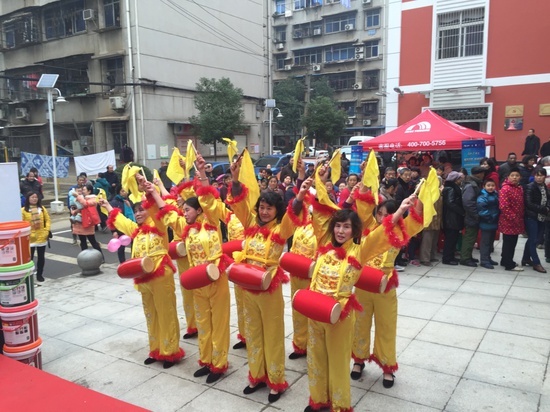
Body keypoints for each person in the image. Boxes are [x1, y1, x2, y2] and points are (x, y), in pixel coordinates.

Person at [294, 170, 416, 412]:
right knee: (316, 359)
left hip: (339, 315)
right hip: (315, 312)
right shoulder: (323, 246)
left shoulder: (359, 251)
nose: (340, 231)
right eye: (338, 226)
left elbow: (382, 233)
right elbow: (319, 212)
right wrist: (314, 182)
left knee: (338, 363)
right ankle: (318, 399)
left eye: (346, 227)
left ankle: (340, 405)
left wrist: (400, 211)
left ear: (354, 230)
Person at [227, 157, 308, 404]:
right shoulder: (250, 223)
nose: (263, 211)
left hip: (269, 289)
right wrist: (235, 177)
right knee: (252, 334)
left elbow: (291, 217)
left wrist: (301, 193)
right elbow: (239, 204)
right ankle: (256, 375)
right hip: (247, 287)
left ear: (276, 211)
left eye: (269, 208)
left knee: (272, 336)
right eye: (261, 207)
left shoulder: (279, 231)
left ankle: (275, 381)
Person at [149, 155, 231, 383]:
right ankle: (206, 361)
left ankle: (220, 364)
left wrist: (202, 175)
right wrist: (153, 190)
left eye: (188, 209)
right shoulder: (186, 227)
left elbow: (209, 199)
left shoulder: (212, 222)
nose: (184, 212)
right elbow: (166, 210)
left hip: (216, 278)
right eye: (183, 210)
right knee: (203, 323)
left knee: (219, 323)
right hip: (197, 281)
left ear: (199, 210)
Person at [101, 177, 184, 369]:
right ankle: (155, 350)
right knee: (151, 314)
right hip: (142, 278)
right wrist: (106, 205)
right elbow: (121, 220)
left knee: (166, 313)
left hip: (161, 275)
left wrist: (150, 190)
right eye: (136, 211)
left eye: (141, 210)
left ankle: (170, 351)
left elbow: (157, 210)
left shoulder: (158, 226)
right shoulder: (135, 231)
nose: (138, 214)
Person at [522, 168, 550, 273]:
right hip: (532, 216)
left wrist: (547, 207)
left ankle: (525, 258)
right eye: (537, 175)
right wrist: (544, 209)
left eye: (541, 175)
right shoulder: (530, 187)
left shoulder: (545, 187)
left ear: (544, 176)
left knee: (534, 239)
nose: (539, 177)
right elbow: (529, 203)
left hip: (542, 216)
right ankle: (536, 263)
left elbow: (548, 199)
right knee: (533, 240)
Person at [498, 168, 525, 271]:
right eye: (512, 175)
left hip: (517, 221)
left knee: (512, 242)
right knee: (509, 243)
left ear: (520, 177)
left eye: (517, 175)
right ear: (508, 177)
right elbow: (504, 206)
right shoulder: (506, 189)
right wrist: (513, 218)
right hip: (508, 221)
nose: (514, 177)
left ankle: (505, 260)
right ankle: (509, 265)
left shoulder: (519, 188)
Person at [21, 192, 50, 282]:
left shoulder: (42, 209)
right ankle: (28, 276)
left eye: (36, 197)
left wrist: (46, 231)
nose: (34, 199)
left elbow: (48, 220)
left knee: (41, 257)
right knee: (30, 259)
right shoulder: (23, 211)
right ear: (28, 199)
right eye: (32, 197)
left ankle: (39, 274)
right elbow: (22, 223)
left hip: (42, 236)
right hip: (30, 238)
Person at [460, 166, 486, 267]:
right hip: (471, 216)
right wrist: (476, 214)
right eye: (482, 173)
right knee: (469, 237)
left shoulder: (474, 183)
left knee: (472, 236)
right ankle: (465, 258)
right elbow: (468, 202)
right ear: (478, 174)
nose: (483, 175)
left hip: (473, 215)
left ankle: (468, 256)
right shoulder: (471, 185)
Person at [73, 183, 103, 257]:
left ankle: (101, 257)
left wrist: (78, 196)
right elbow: (79, 208)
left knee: (93, 241)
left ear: (89, 191)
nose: (83, 191)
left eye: (84, 189)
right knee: (83, 242)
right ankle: (85, 257)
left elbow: (85, 204)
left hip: (88, 223)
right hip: (80, 223)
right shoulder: (82, 198)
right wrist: (74, 211)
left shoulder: (93, 199)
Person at [442, 171, 465, 265]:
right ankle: (447, 258)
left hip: (453, 217)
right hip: (451, 217)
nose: (461, 180)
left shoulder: (452, 188)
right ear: (455, 180)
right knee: (450, 239)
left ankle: (451, 256)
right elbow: (450, 203)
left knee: (453, 238)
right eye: (459, 179)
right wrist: (461, 211)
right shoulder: (451, 189)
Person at [419, 176, 443, 266]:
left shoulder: (439, 193)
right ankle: (425, 258)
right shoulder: (428, 193)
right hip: (429, 220)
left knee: (434, 239)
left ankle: (432, 256)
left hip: (437, 219)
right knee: (427, 240)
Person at [477, 179, 500, 269]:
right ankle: (484, 260)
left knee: (490, 242)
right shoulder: (482, 196)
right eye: (488, 185)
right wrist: (490, 218)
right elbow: (482, 210)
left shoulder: (495, 194)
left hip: (493, 222)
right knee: (485, 242)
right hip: (487, 222)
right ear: (484, 186)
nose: (491, 187)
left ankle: (488, 258)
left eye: (492, 185)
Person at [109, 185, 134, 264]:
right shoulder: (114, 202)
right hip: (120, 228)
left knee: (134, 244)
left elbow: (134, 214)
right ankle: (122, 263)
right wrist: (113, 231)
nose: (125, 193)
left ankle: (135, 260)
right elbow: (111, 217)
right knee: (121, 246)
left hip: (131, 226)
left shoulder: (129, 201)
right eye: (122, 191)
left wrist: (129, 206)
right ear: (119, 192)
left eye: (126, 190)